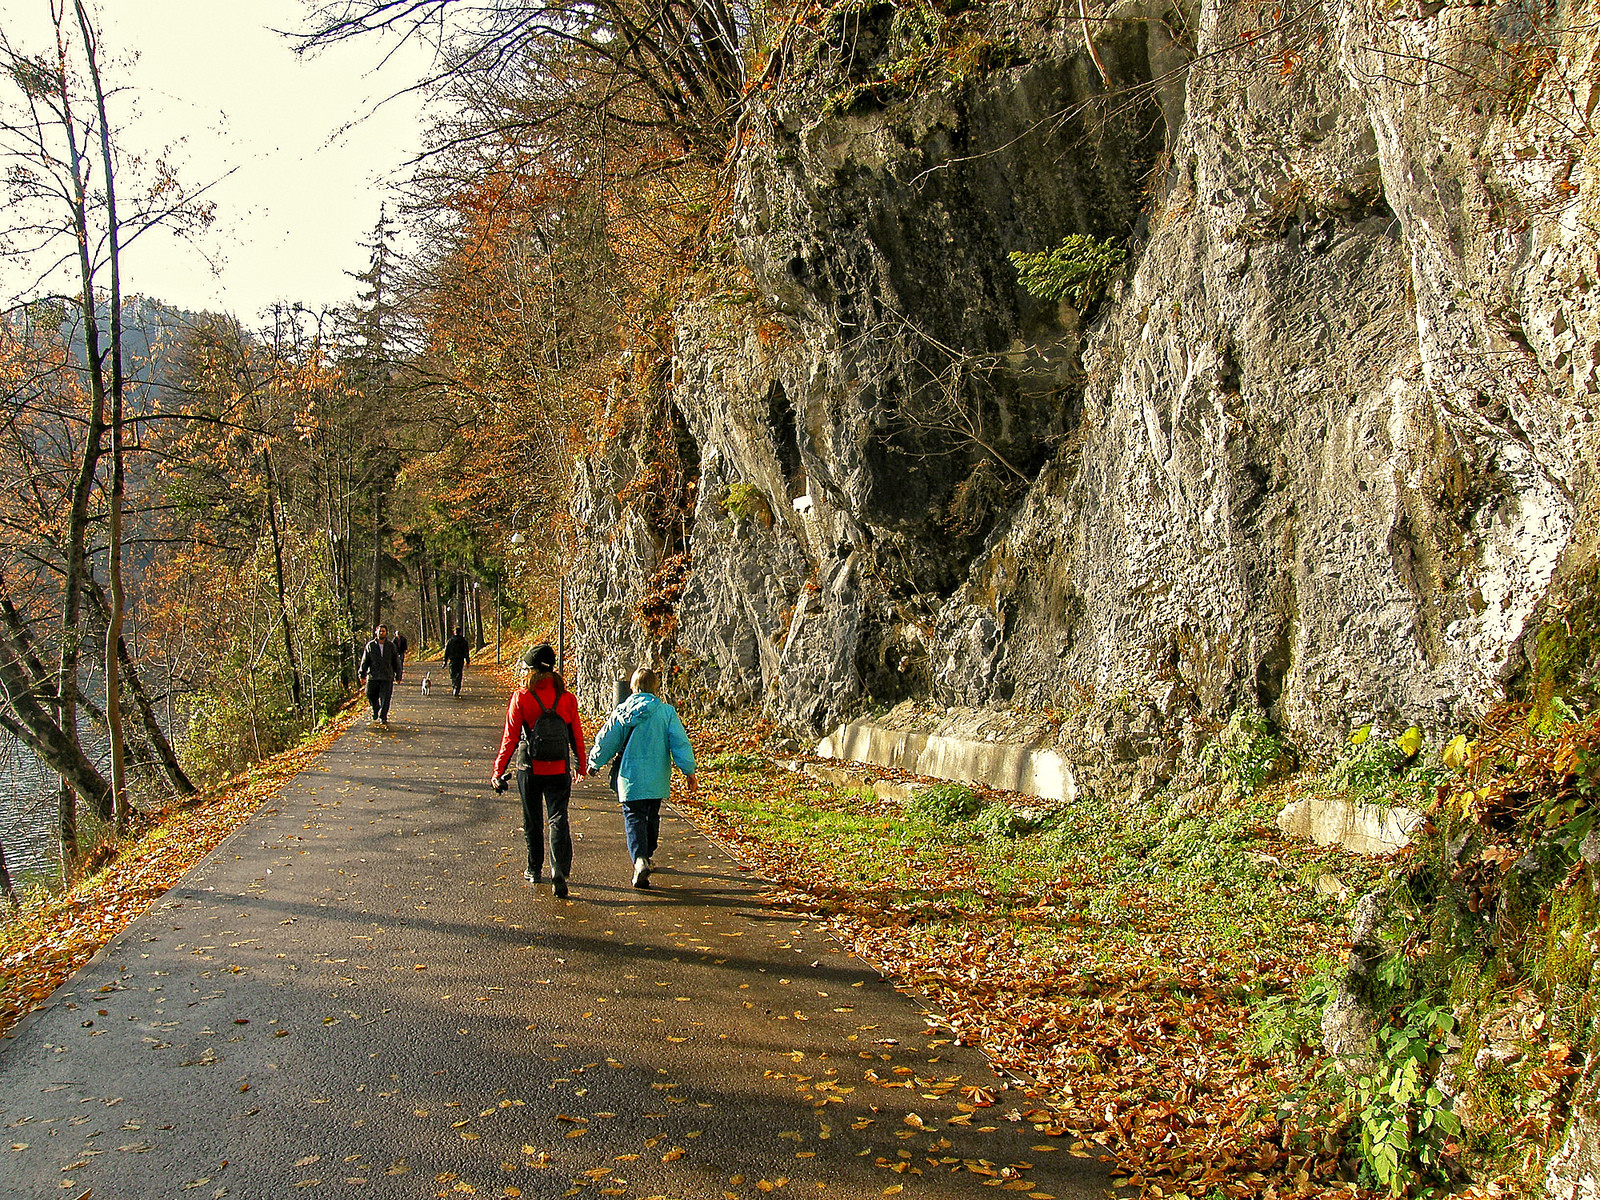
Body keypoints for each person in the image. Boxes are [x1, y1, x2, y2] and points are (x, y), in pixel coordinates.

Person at [490, 644, 586, 897]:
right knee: (558, 818)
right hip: (559, 768)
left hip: (529, 768)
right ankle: (560, 869)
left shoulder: (521, 697)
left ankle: (534, 869)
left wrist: (498, 771)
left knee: (532, 821)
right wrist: (581, 764)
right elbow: (576, 734)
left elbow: (510, 739)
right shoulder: (567, 698)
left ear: (531, 670)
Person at [587, 667, 696, 889]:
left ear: (633, 687)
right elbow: (680, 743)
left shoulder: (621, 711)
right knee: (652, 814)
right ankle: (648, 853)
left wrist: (594, 763)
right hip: (657, 775)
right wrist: (689, 771)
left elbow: (607, 739)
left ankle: (639, 859)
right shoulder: (666, 713)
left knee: (633, 816)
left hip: (629, 775)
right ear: (655, 687)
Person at [357, 624, 402, 725]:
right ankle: (375, 708)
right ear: (376, 633)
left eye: (383, 631)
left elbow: (396, 661)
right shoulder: (370, 646)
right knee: (370, 694)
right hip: (373, 676)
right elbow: (365, 661)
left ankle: (383, 717)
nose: (382, 633)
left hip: (387, 676)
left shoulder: (391, 646)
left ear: (386, 633)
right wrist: (362, 674)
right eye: (380, 631)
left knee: (386, 698)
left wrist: (398, 675)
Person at [443, 627, 471, 697]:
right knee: (459, 674)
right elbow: (466, 652)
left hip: (452, 660)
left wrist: (445, 661)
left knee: (453, 674)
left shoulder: (450, 641)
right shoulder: (464, 641)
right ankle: (457, 688)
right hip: (460, 660)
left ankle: (454, 685)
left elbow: (446, 652)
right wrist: (467, 661)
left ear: (454, 632)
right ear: (460, 632)